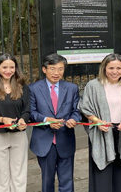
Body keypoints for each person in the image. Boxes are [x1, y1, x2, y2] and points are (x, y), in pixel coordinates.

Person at [79, 53, 121, 192]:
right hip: (102, 132)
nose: (115, 71)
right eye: (111, 68)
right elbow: (85, 108)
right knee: (102, 174)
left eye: (119, 68)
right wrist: (98, 122)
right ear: (104, 68)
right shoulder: (93, 85)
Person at [29, 53, 81, 192]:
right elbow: (31, 112)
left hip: (65, 139)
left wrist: (73, 119)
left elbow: (77, 111)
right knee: (47, 180)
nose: (56, 73)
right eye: (52, 68)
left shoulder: (72, 88)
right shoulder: (33, 88)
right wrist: (46, 120)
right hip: (44, 141)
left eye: (60, 69)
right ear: (44, 69)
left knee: (67, 180)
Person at [0, 53, 31, 192]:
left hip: (19, 135)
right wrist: (2, 119)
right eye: (4, 67)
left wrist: (23, 119)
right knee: (0, 175)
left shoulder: (22, 86)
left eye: (11, 67)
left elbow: (27, 109)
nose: (8, 70)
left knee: (19, 174)